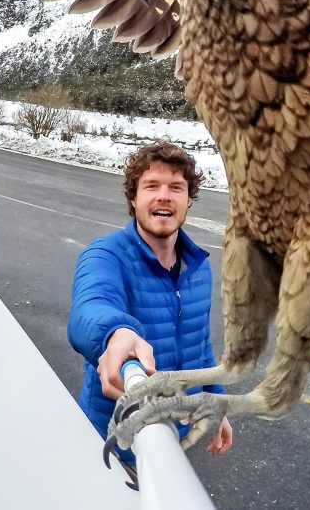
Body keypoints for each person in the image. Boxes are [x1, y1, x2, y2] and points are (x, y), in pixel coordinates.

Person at [67, 140, 232, 471]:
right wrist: (115, 333)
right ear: (134, 197)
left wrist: (218, 402)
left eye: (176, 187)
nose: (164, 195)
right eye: (151, 186)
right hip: (114, 444)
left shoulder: (199, 267)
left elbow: (201, 343)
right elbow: (91, 304)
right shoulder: (107, 254)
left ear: (187, 200)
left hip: (173, 436)